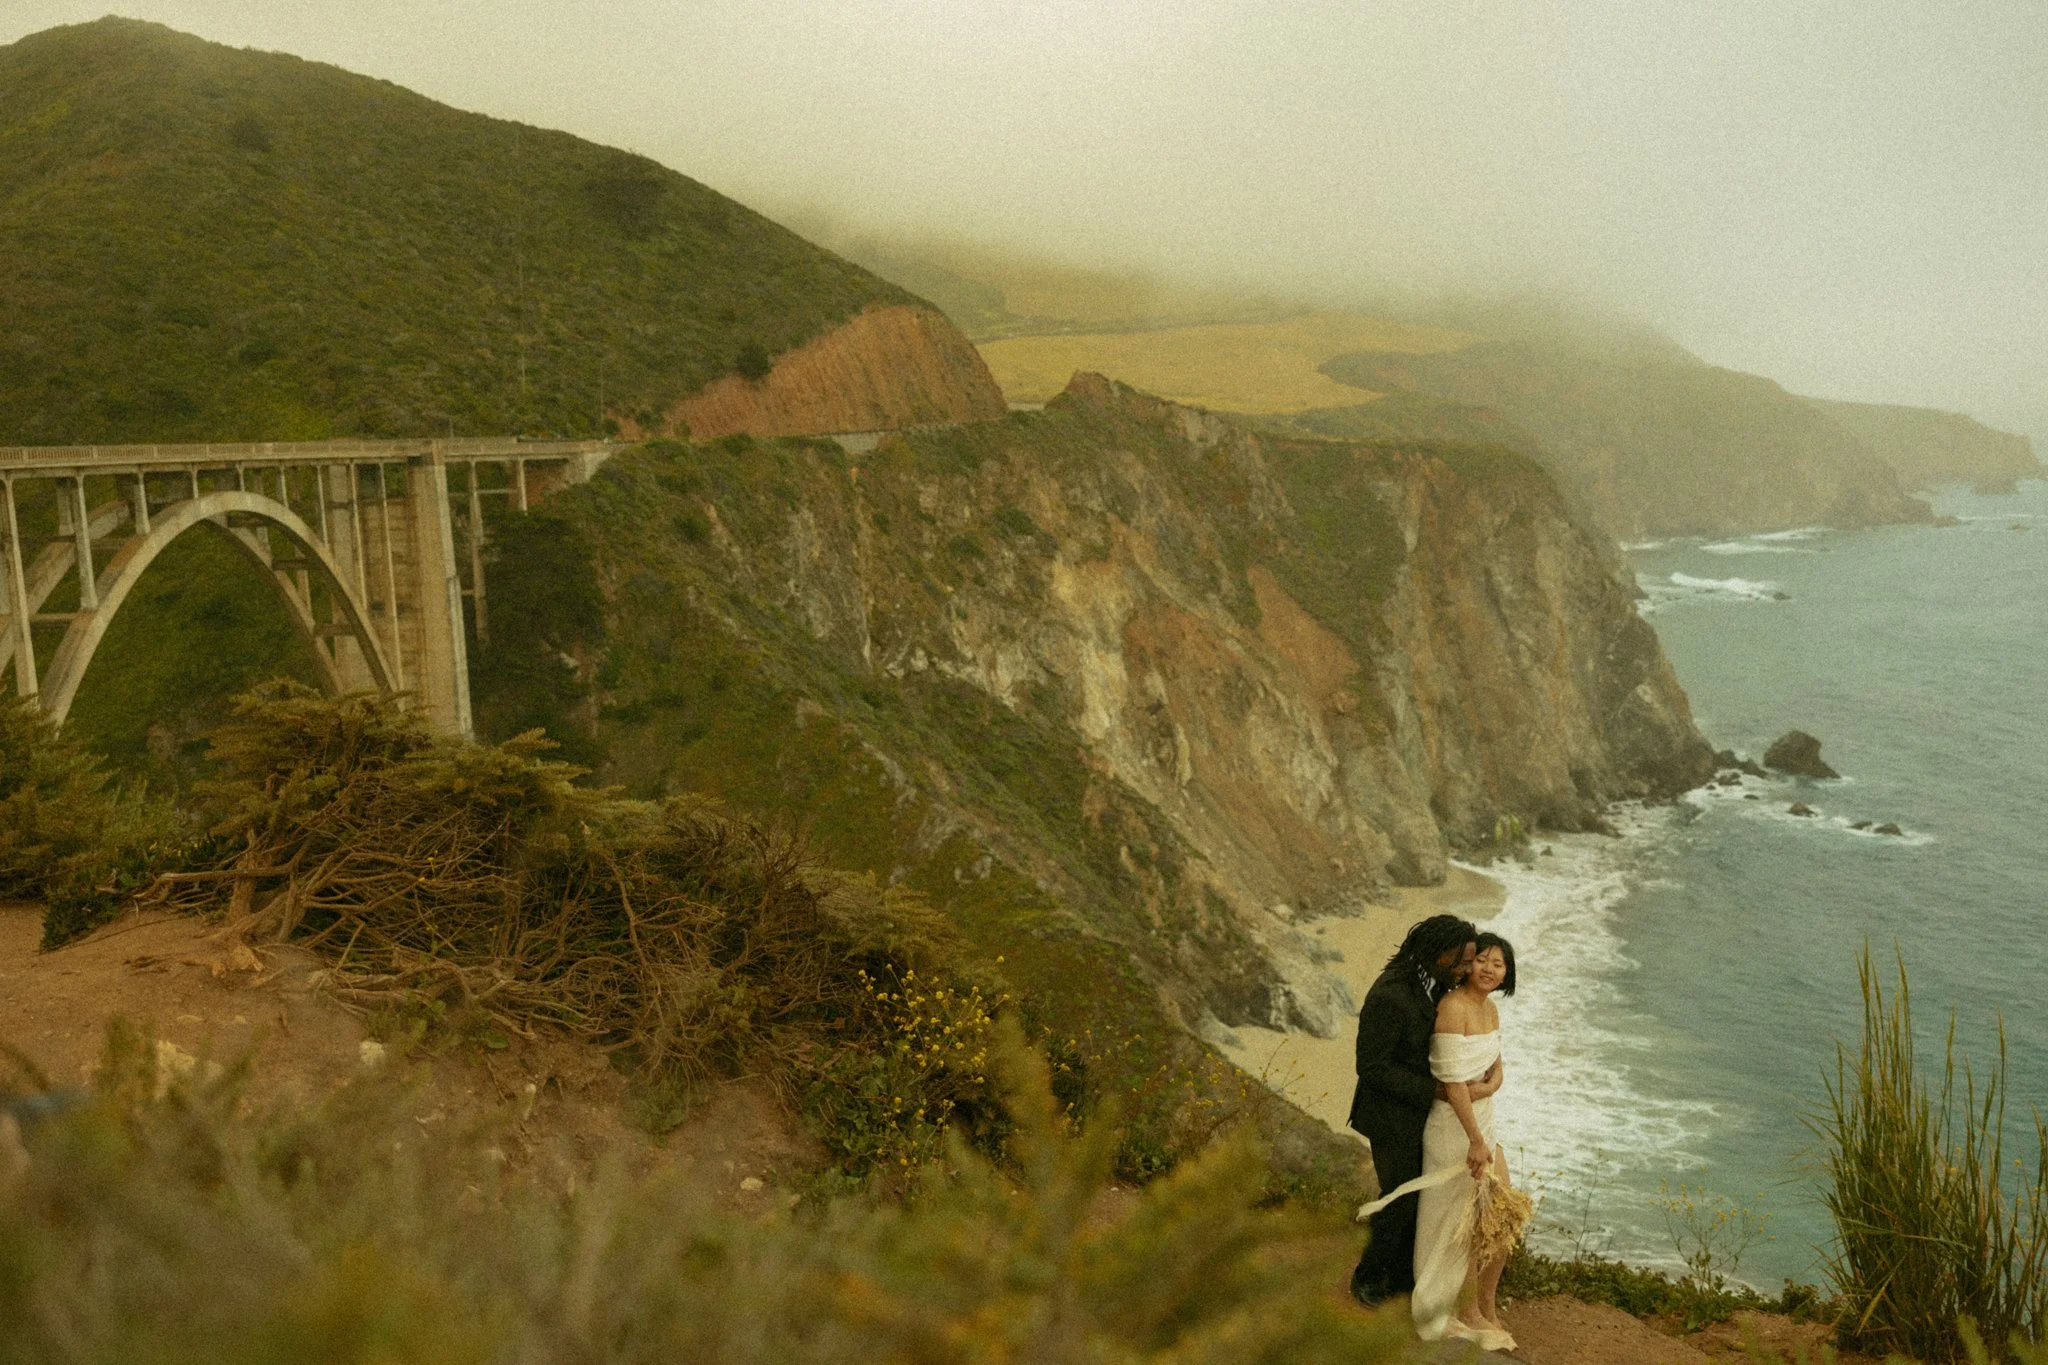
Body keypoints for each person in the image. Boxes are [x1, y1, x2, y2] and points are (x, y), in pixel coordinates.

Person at [1347, 913, 1488, 1306]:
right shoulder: (1391, 994)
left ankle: (1403, 1277)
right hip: (1389, 1116)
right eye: (1460, 961)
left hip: (1422, 1114)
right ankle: (1368, 1277)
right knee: (1400, 1195)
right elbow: (1372, 1067)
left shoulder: (1437, 987)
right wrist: (1436, 1091)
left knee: (1424, 1195)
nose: (1465, 970)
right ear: (1436, 953)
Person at [1412, 931, 1521, 1351]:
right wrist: (1476, 1140)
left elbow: (1493, 1062)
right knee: (1458, 1223)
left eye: (1499, 964)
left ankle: (1485, 1306)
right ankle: (1462, 1309)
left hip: (1483, 1122)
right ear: (1469, 964)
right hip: (1456, 1129)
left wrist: (1493, 1084)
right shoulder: (1453, 1006)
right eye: (1484, 960)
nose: (1490, 969)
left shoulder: (1490, 1009)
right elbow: (1451, 1079)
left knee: (1501, 1215)